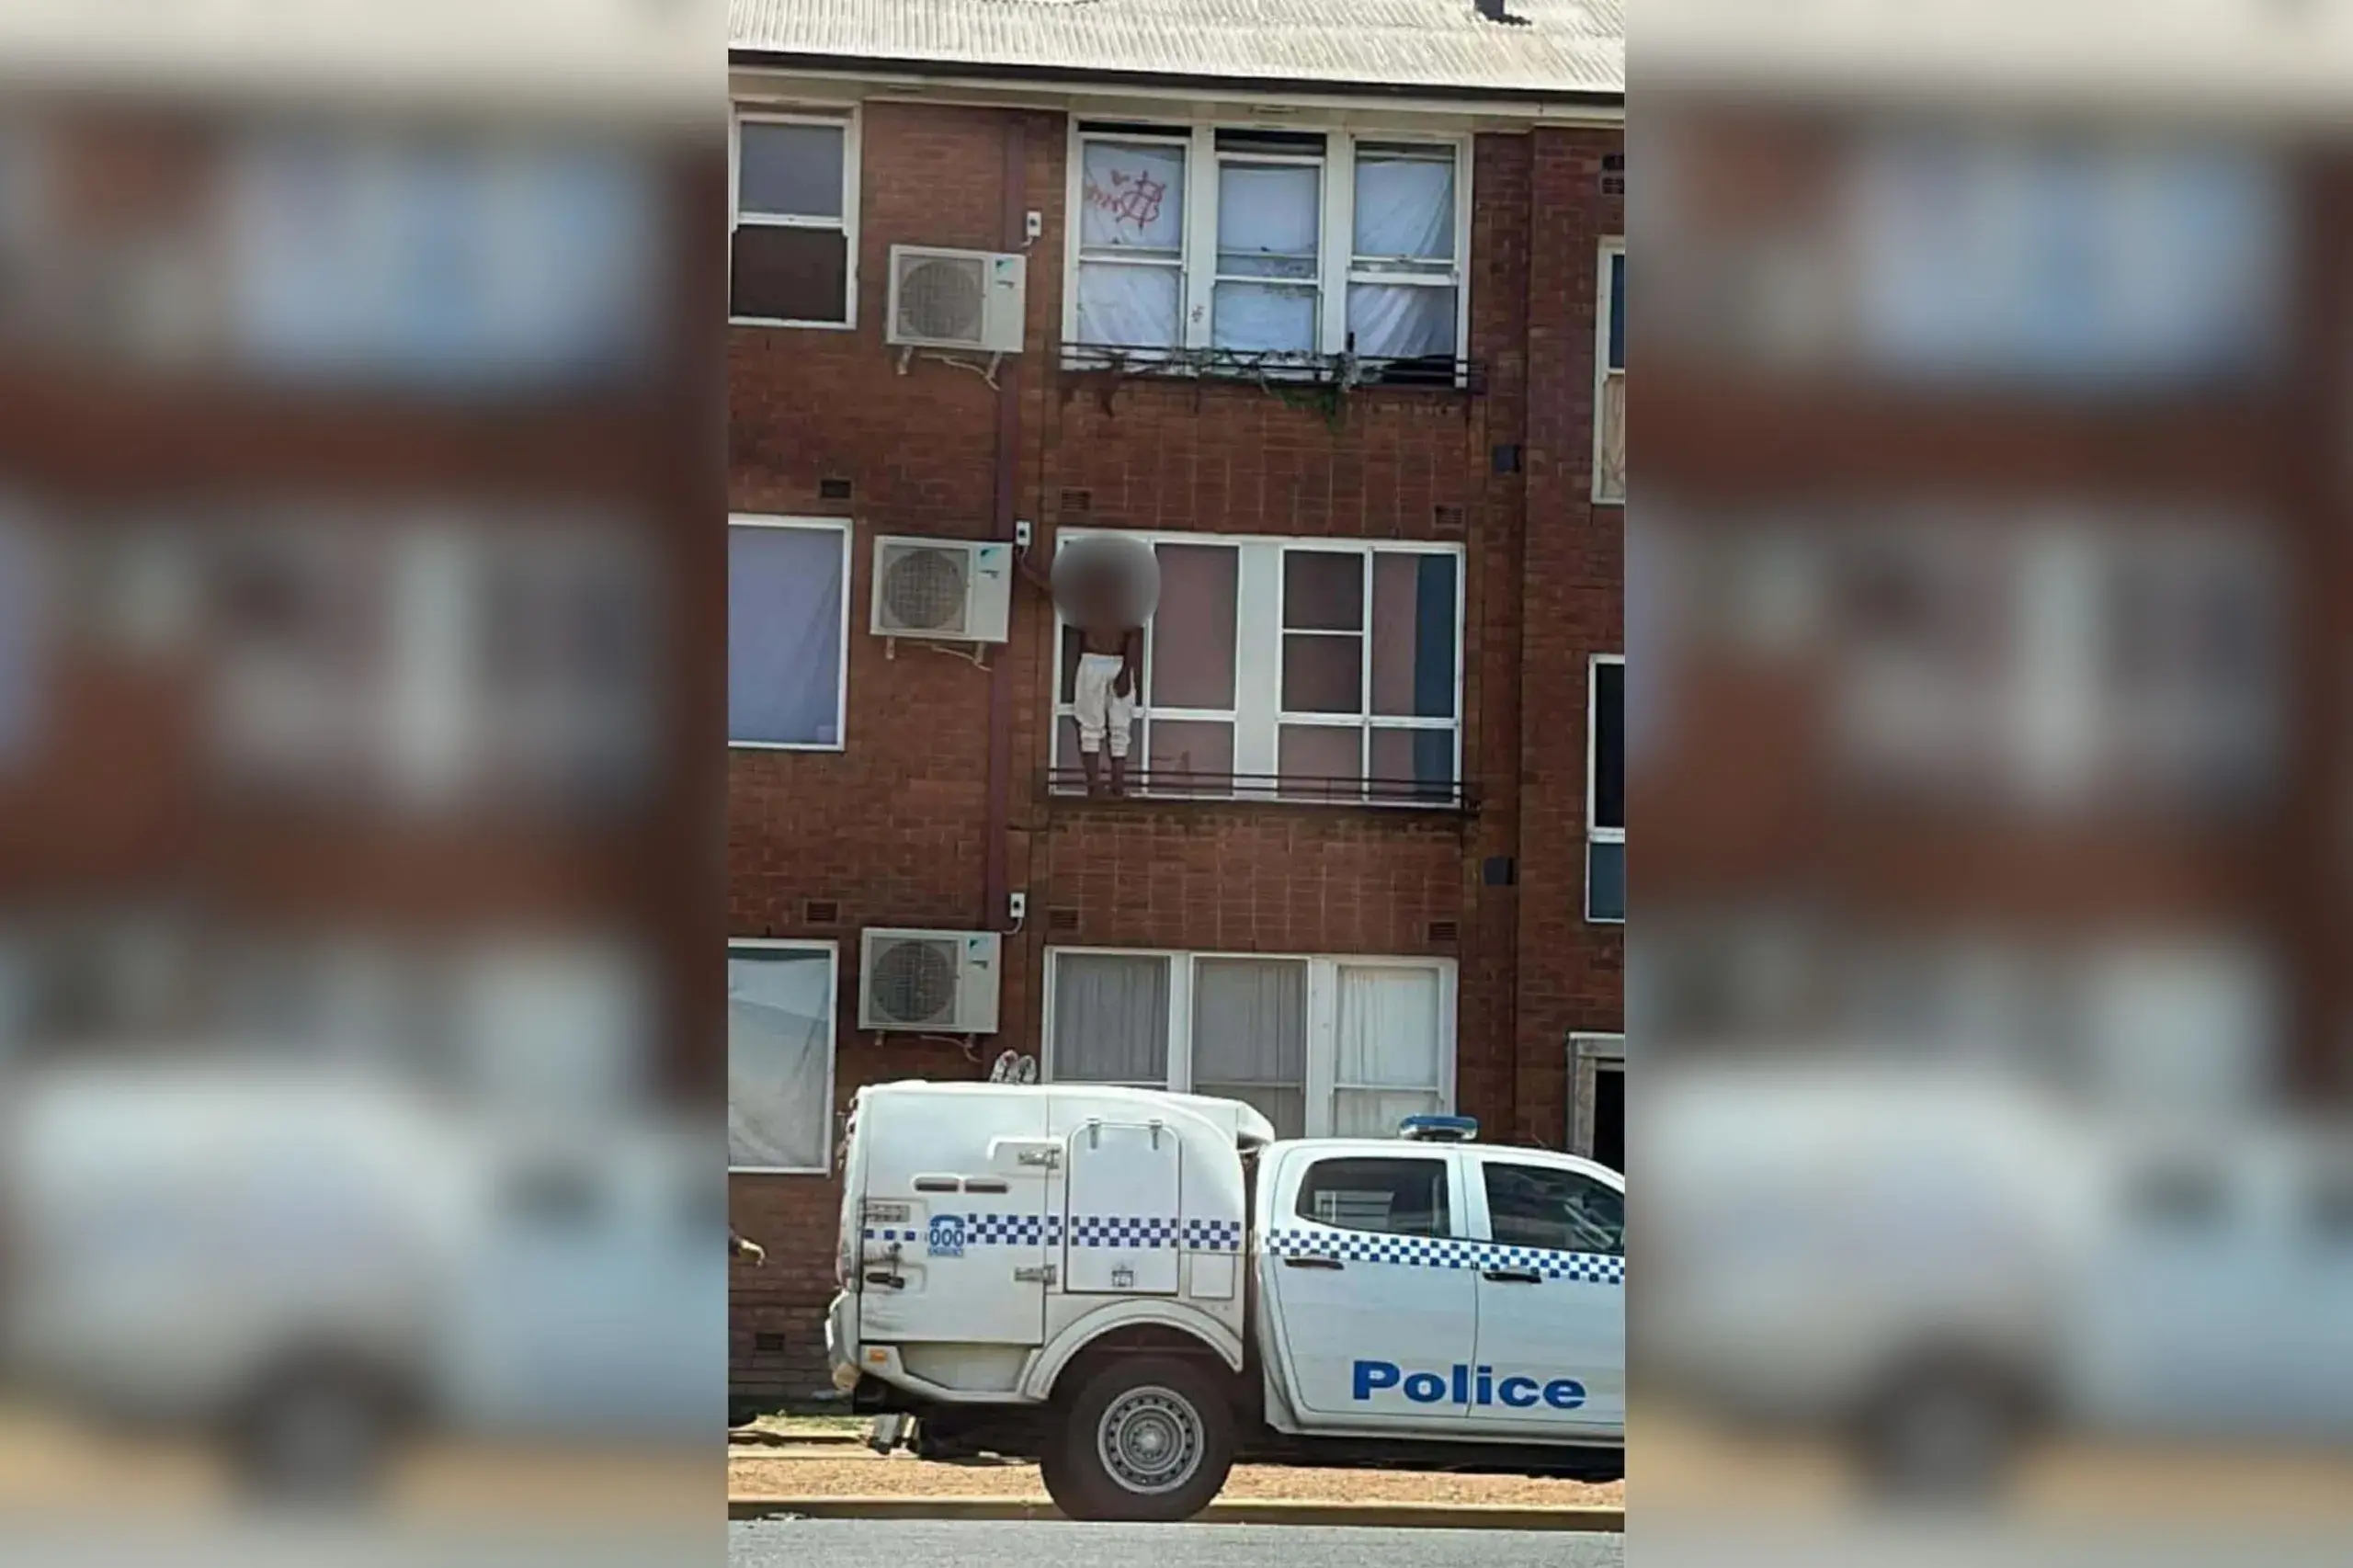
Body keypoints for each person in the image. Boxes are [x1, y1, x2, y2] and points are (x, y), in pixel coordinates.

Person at [1020, 539, 1143, 797]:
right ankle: (1093, 785)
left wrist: (1126, 671)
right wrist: (1022, 565)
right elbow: (1050, 587)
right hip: (1092, 661)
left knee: (1120, 725)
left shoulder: (1126, 602)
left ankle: (1117, 784)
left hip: (1117, 662)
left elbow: (1135, 636)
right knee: (1090, 723)